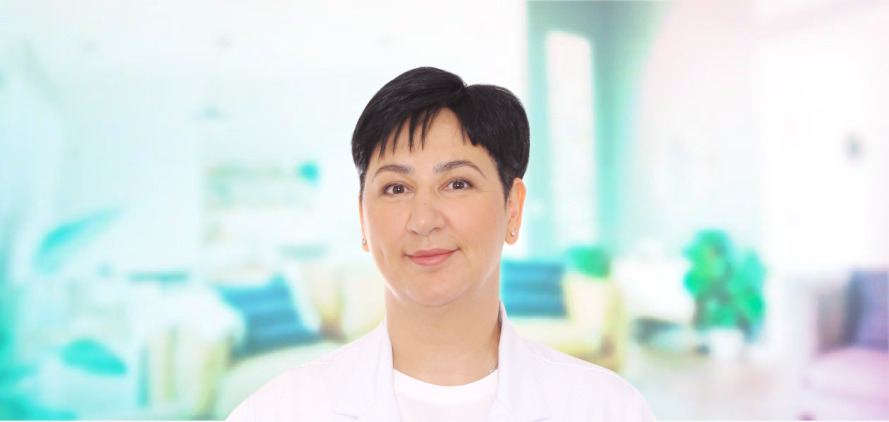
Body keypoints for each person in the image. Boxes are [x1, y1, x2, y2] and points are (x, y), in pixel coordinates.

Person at [225, 67, 656, 421]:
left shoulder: (609, 409)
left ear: (513, 209)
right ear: (362, 219)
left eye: (457, 183)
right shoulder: (276, 411)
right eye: (396, 188)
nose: (424, 219)